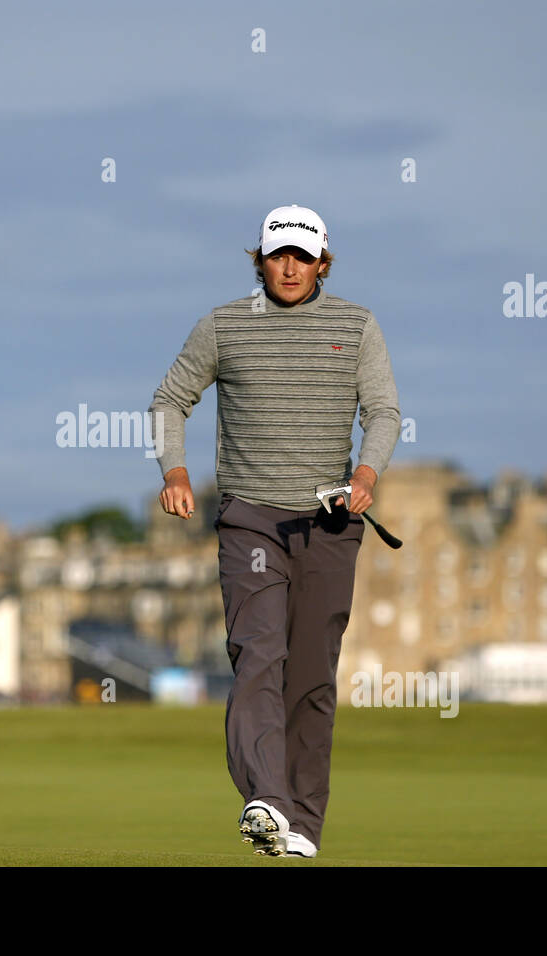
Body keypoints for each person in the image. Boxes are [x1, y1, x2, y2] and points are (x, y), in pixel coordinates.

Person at [148, 204, 401, 857]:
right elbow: (171, 399)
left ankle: (302, 826)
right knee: (259, 655)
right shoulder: (224, 326)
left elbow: (383, 411)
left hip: (330, 520)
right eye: (277, 254)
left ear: (323, 261)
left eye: (302, 255)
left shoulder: (357, 325)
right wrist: (174, 471)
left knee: (312, 678)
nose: (289, 267)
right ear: (259, 259)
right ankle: (266, 800)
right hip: (251, 518)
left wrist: (368, 475)